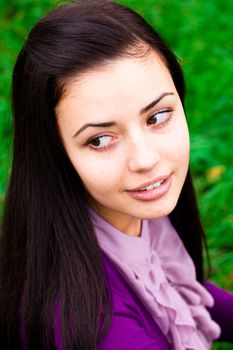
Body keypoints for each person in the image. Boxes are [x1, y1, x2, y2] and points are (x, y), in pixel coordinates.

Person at [0, 0, 232, 349]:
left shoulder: (126, 212)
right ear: (54, 154)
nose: (145, 159)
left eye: (157, 116)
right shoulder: (97, 326)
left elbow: (184, 294)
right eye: (100, 139)